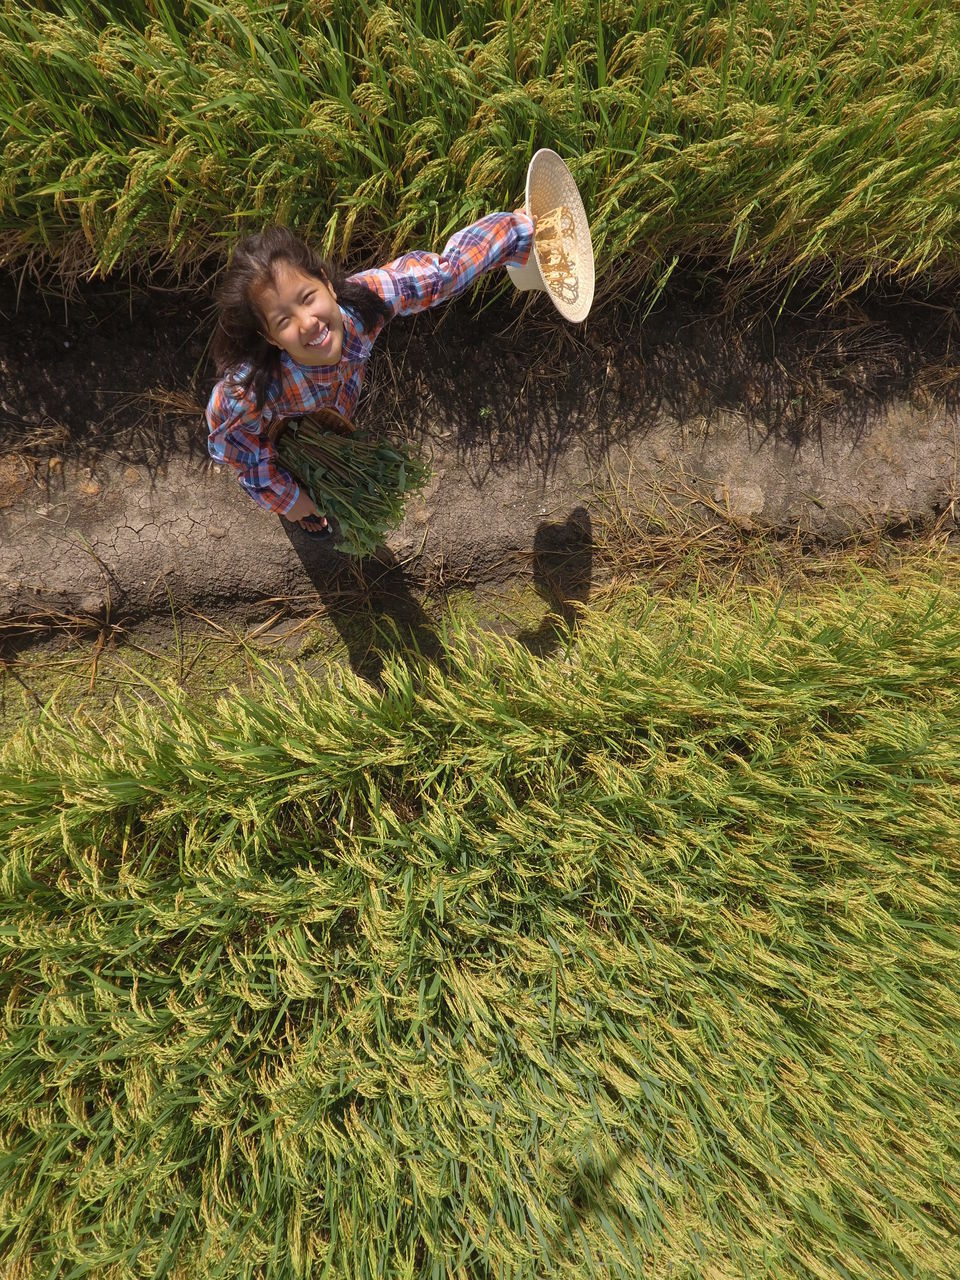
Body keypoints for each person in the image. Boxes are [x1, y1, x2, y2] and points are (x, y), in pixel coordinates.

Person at [206, 210, 535, 535]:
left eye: (308, 298)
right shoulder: (254, 388)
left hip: (332, 413)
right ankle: (300, 504)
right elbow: (233, 440)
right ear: (270, 338)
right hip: (281, 434)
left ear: (327, 284)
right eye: (283, 321)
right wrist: (287, 499)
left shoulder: (364, 304)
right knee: (298, 485)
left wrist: (516, 232)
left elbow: (439, 276)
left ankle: (314, 494)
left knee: (330, 465)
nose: (307, 323)